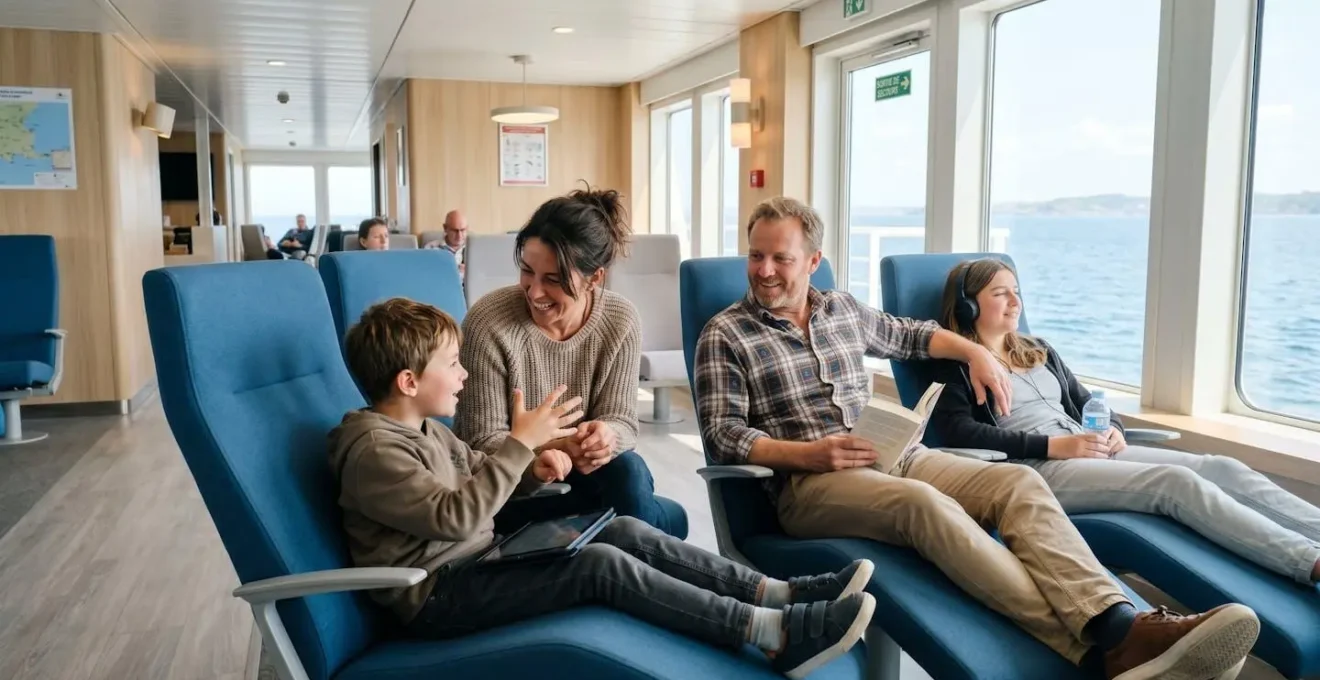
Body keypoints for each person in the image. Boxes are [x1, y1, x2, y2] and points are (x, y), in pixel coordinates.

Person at [693, 196, 1259, 680]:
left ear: (813, 261)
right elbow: (723, 436)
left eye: (780, 258)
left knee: (1016, 484)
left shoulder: (841, 309)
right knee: (923, 505)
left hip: (898, 456)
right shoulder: (726, 333)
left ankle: (1121, 623)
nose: (764, 270)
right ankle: (1098, 649)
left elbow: (912, 336)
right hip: (810, 483)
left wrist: (976, 352)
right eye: (756, 255)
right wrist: (811, 453)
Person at [328, 297, 877, 679]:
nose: (463, 374)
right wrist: (519, 445)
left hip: (480, 561)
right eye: (452, 364)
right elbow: (453, 518)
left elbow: (476, 471)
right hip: (439, 595)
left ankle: (777, 593)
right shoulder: (376, 452)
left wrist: (532, 467)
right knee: (598, 567)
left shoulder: (422, 429)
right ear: (408, 382)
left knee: (620, 530)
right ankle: (773, 634)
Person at [927, 256, 1320, 586]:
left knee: (1219, 466)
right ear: (969, 307)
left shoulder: (1037, 349)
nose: (1015, 301)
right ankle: (1306, 561)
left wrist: (1114, 428)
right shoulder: (956, 365)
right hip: (1036, 469)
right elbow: (955, 431)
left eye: (1017, 291)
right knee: (1173, 483)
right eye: (1000, 293)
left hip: (1090, 449)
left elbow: (1086, 401)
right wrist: (1052, 447)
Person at [455, 188, 687, 539]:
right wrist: (555, 449)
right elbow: (480, 441)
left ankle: (634, 550)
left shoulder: (620, 320)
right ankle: (647, 545)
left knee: (629, 471)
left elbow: (621, 420)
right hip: (508, 491)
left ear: (595, 278)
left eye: (554, 280)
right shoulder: (489, 322)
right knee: (655, 516)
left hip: (586, 482)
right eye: (527, 271)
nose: (534, 292)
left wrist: (606, 436)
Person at [425, 209, 469, 277]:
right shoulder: (431, 249)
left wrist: (470, 272)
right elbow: (425, 275)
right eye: (455, 231)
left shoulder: (474, 249)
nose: (459, 235)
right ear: (445, 228)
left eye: (463, 230)